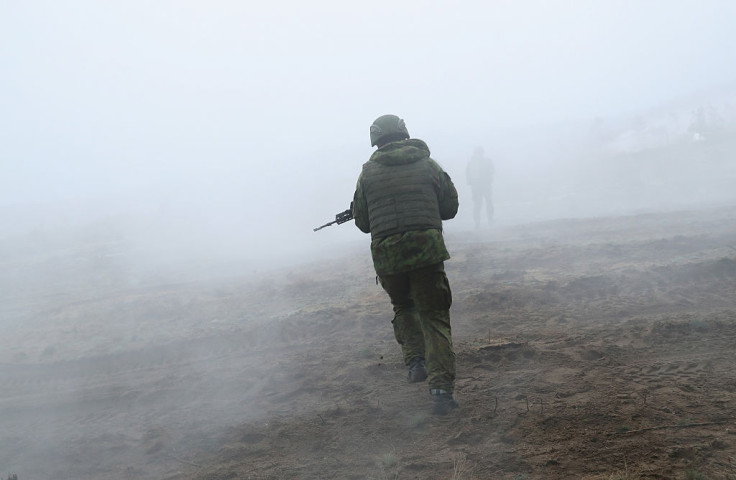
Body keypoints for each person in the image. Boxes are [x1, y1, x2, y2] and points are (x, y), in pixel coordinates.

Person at [352, 114, 460, 415]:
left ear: (376, 140)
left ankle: (415, 361)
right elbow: (450, 208)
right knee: (434, 317)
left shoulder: (367, 174)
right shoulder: (428, 165)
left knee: (403, 306)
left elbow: (362, 222)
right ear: (404, 132)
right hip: (427, 253)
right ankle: (441, 391)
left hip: (388, 257)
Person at [466, 146, 495, 228]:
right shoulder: (487, 161)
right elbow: (492, 171)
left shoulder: (471, 163)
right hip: (485, 185)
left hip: (476, 187)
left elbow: (468, 175)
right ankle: (490, 220)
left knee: (477, 205)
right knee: (488, 203)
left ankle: (477, 223)